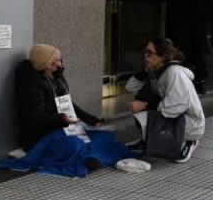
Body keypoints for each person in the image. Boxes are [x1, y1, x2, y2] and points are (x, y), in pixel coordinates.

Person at [7, 44, 130, 177]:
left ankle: (88, 157)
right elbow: (35, 117)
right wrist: (61, 119)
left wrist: (92, 121)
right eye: (58, 59)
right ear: (49, 65)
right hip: (42, 136)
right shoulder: (32, 85)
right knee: (74, 144)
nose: (61, 61)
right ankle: (85, 159)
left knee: (103, 135)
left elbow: (69, 105)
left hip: (63, 127)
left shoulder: (57, 78)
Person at [125, 37, 205, 163]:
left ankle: (190, 141)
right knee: (141, 99)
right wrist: (145, 71)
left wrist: (145, 105)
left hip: (190, 123)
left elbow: (177, 105)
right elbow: (131, 87)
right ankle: (149, 139)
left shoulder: (174, 73)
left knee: (143, 110)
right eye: (145, 52)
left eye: (149, 53)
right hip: (174, 116)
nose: (145, 56)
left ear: (162, 56)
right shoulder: (158, 71)